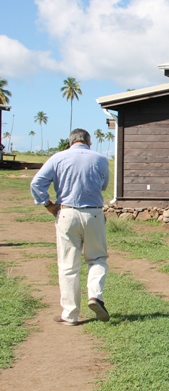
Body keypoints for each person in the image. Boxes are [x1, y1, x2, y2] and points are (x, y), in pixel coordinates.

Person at [30, 129, 110, 326]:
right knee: (97, 258)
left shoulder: (58, 158)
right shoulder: (100, 159)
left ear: (70, 142)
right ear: (88, 142)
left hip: (66, 212)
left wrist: (48, 204)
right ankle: (95, 295)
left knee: (68, 264)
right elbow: (104, 186)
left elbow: (37, 183)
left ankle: (70, 314)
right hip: (94, 213)